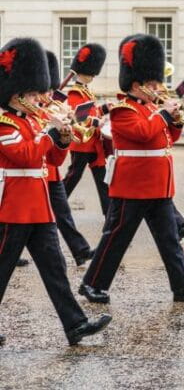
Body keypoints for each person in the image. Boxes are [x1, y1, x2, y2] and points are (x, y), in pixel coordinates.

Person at [79, 34, 184, 304]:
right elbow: (143, 133)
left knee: (170, 239)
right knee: (116, 237)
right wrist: (163, 115)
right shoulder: (123, 110)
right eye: (152, 84)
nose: (157, 88)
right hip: (132, 186)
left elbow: (166, 140)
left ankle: (182, 284)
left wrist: (175, 122)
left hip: (157, 186)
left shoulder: (151, 108)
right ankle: (92, 284)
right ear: (137, 84)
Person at [0, 37, 111, 346]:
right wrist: (49, 134)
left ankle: (75, 324)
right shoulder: (5, 124)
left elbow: (53, 159)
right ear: (17, 94)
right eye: (34, 93)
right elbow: (24, 155)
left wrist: (62, 137)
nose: (39, 98)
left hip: (38, 206)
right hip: (13, 207)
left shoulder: (33, 120)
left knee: (55, 267)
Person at [43, 51, 94, 265]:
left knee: (62, 212)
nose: (46, 94)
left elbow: (57, 152)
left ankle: (80, 250)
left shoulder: (49, 106)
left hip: (50, 172)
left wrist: (67, 123)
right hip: (30, 173)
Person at [62, 43, 111, 214]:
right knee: (72, 177)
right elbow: (79, 116)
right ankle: (56, 203)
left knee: (103, 181)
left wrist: (105, 108)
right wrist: (98, 122)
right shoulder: (75, 92)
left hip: (93, 142)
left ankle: (110, 216)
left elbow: (93, 111)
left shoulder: (86, 91)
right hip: (82, 144)